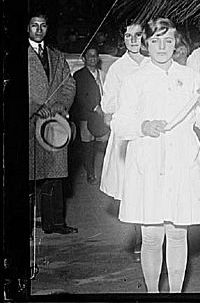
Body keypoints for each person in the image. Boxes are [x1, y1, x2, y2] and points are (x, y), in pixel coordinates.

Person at [112, 18, 200, 294]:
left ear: (175, 43)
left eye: (168, 40)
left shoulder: (190, 76)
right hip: (149, 159)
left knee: (178, 234)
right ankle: (153, 292)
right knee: (152, 235)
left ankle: (176, 293)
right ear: (146, 44)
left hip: (182, 160)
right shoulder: (135, 79)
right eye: (155, 41)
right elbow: (120, 123)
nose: (162, 46)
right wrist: (143, 126)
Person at [28, 13, 77, 235]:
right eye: (34, 25)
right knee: (30, 176)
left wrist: (61, 104)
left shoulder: (57, 56)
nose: (39, 30)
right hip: (30, 123)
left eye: (43, 25)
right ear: (28, 28)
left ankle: (54, 223)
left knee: (55, 174)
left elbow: (69, 84)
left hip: (54, 124)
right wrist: (35, 106)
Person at [100, 22, 148, 202]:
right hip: (128, 129)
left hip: (152, 129)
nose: (134, 40)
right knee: (129, 186)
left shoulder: (153, 63)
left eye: (138, 35)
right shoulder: (118, 68)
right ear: (123, 39)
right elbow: (109, 104)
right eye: (128, 36)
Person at [71, 46, 109, 184]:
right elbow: (80, 96)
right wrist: (95, 107)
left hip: (101, 116)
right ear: (84, 59)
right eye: (89, 55)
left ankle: (105, 174)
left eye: (95, 55)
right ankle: (90, 174)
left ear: (98, 58)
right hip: (86, 116)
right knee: (87, 146)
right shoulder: (78, 75)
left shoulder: (102, 74)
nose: (93, 58)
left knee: (104, 143)